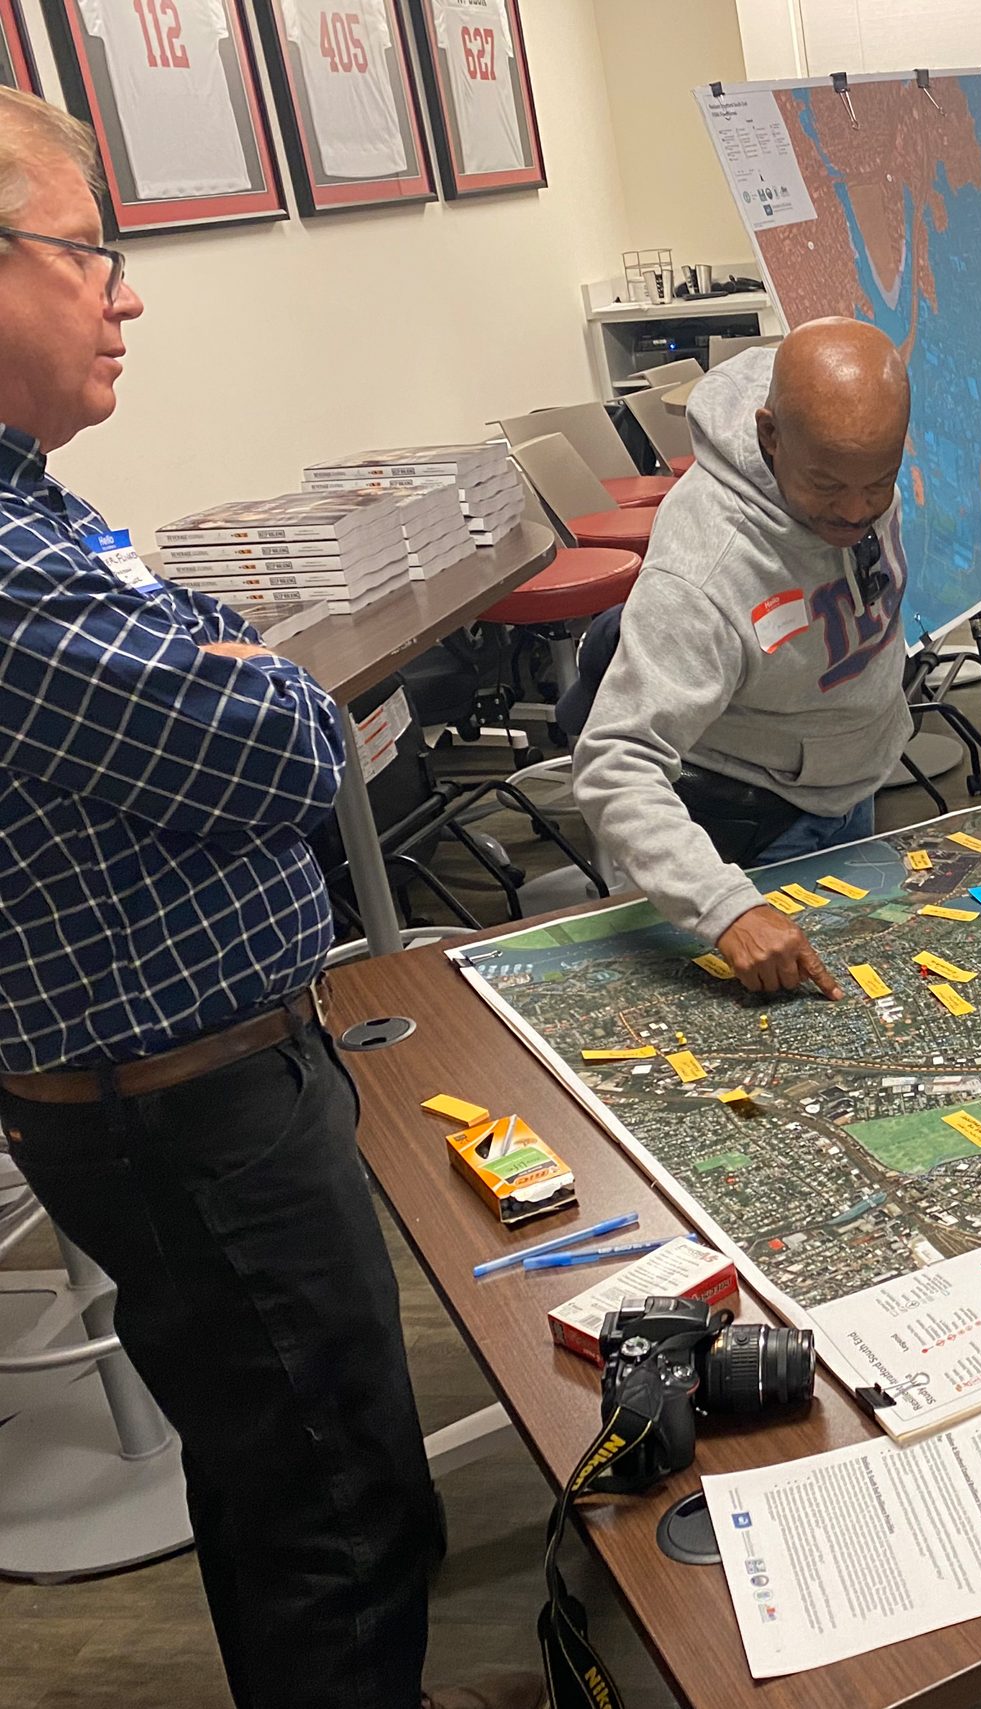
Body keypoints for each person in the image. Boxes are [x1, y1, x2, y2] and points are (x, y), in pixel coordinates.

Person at [0, 90, 527, 1709]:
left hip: (190, 1095)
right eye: (89, 248)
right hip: (183, 1118)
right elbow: (295, 748)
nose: (129, 288)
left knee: (284, 1471)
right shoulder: (11, 574)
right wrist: (255, 683)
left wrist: (242, 670)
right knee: (335, 1498)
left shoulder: (36, 509)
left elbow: (230, 652)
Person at [573, 320, 914, 1000]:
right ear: (769, 436)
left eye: (878, 484)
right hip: (760, 825)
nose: (855, 511)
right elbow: (615, 761)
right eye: (826, 484)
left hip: (852, 785)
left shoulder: (853, 447)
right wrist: (726, 906)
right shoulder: (702, 572)